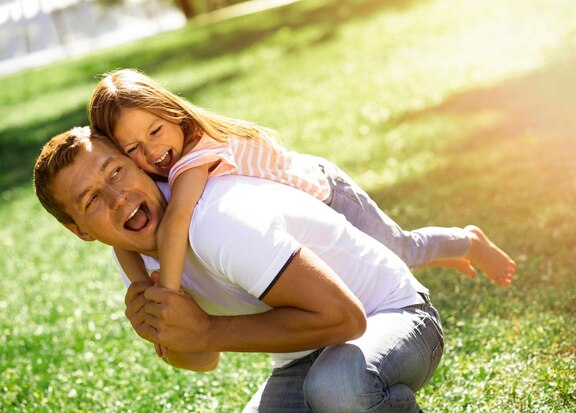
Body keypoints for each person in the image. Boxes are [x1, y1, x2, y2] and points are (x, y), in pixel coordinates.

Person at [33, 127, 515, 413]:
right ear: (82, 231)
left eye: (116, 172)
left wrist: (205, 328)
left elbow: (347, 319)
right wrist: (162, 330)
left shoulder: (216, 221)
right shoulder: (137, 259)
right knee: (324, 383)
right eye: (92, 199)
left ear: (139, 167)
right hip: (304, 353)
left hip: (392, 315)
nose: (117, 197)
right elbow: (202, 361)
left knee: (339, 390)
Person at [88, 69, 515, 294]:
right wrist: (139, 286)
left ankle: (468, 241)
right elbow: (118, 238)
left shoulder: (193, 160)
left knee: (400, 251)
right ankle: (443, 253)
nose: (150, 153)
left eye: (155, 132)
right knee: (388, 259)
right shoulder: (161, 166)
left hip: (330, 197)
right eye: (131, 150)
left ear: (172, 112)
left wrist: (167, 294)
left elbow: (179, 219)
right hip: (305, 214)